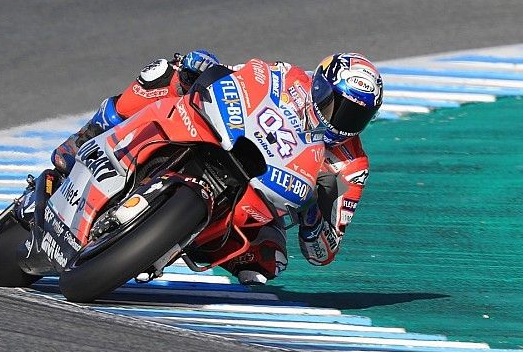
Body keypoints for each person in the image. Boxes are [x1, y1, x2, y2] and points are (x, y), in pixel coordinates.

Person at [51, 50, 383, 285]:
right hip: (225, 140)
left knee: (269, 264)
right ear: (322, 87)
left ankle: (163, 242)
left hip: (259, 206)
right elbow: (240, 77)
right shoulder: (288, 76)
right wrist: (202, 68)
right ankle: (89, 134)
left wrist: (315, 209)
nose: (344, 121)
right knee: (168, 73)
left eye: (356, 116)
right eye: (340, 106)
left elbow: (322, 252)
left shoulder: (351, 165)